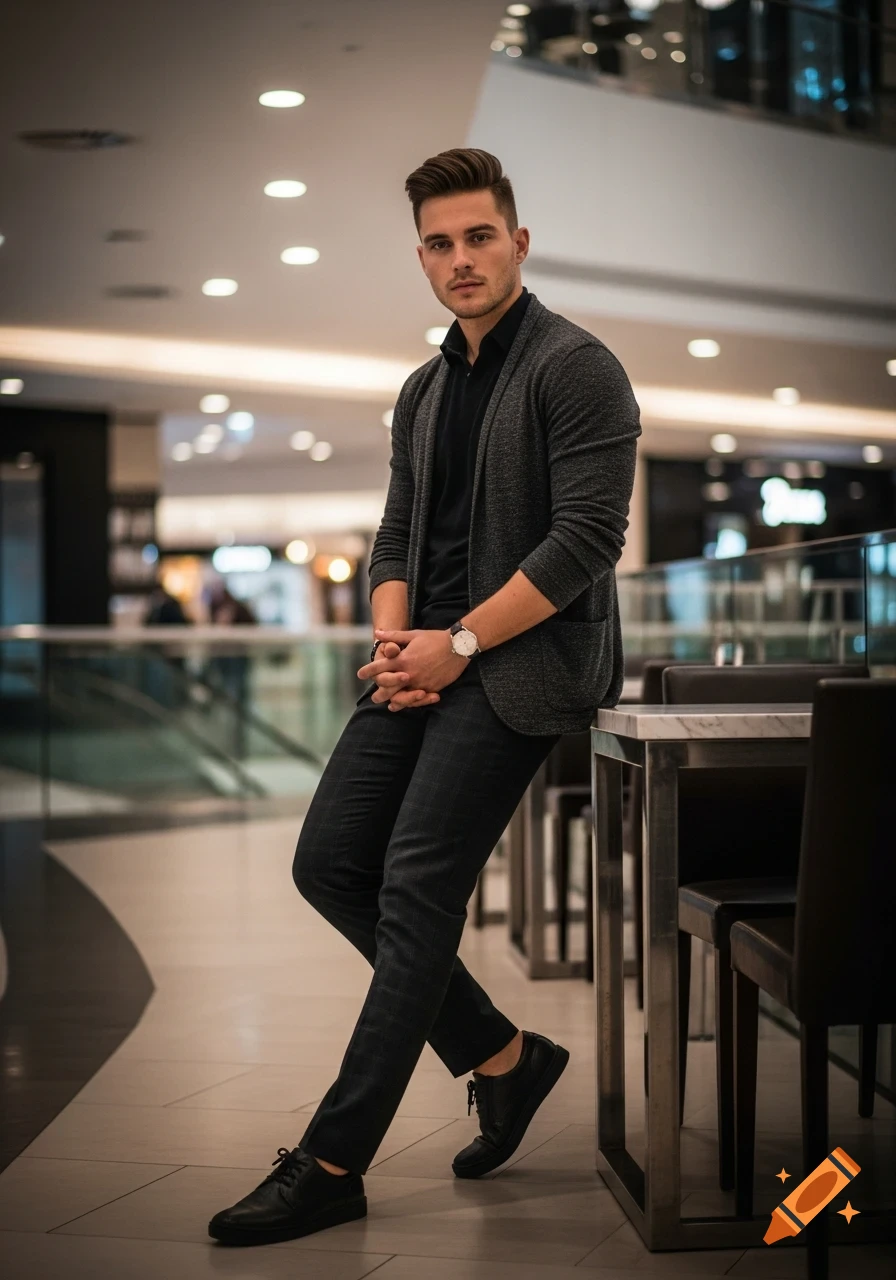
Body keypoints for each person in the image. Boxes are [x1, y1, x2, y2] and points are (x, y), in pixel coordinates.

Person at [209, 147, 640, 1246]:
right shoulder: (426, 384)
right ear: (421, 256)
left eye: (478, 236)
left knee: (410, 886)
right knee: (328, 862)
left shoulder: (576, 366)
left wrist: (453, 643)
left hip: (521, 663)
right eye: (440, 243)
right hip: (430, 655)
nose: (460, 259)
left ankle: (335, 1156)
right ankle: (504, 1055)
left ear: (518, 241)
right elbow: (396, 530)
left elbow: (586, 540)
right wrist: (397, 638)